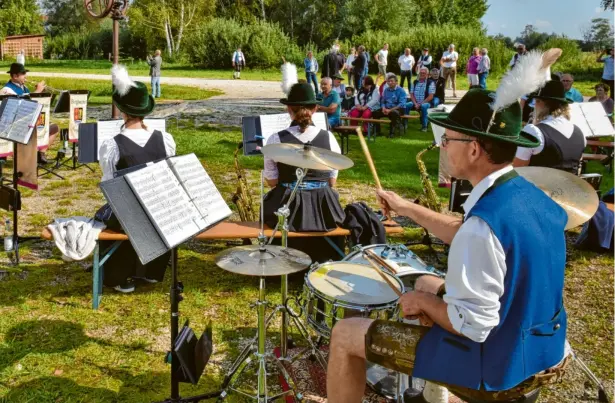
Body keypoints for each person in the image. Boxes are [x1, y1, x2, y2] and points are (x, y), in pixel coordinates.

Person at [327, 88, 569, 403]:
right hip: (541, 345)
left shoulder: (483, 228)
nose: (443, 147)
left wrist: (425, 304)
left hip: (496, 366)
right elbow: (465, 232)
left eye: (447, 139)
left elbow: (473, 326)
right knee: (426, 280)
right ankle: (432, 396)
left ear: (473, 149)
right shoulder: (529, 196)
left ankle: (443, 376)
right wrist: (405, 207)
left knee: (345, 333)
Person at [98, 67, 176, 293]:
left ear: (122, 111)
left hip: (128, 213)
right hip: (159, 207)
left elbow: (108, 183)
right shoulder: (166, 139)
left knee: (110, 217)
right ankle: (152, 271)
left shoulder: (111, 144)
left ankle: (120, 276)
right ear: (145, 111)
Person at [263, 82, 345, 262]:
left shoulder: (275, 139)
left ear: (288, 109)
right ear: (315, 109)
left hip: (288, 207)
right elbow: (332, 181)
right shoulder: (328, 137)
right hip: (323, 210)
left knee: (267, 204)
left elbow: (272, 182)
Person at [514, 79, 585, 174]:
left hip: (537, 187)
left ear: (540, 103)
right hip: (572, 187)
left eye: (536, 102)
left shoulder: (533, 132)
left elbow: (517, 170)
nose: (534, 106)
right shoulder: (579, 132)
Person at [1, 63, 59, 164]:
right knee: (40, 128)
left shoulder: (24, 87)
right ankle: (27, 157)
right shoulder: (6, 90)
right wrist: (37, 91)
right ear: (15, 76)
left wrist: (43, 96)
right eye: (23, 73)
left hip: (29, 121)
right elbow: (20, 107)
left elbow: (33, 102)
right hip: (17, 126)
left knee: (54, 128)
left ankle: (41, 154)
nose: (26, 76)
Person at [405, 67, 436, 132]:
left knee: (424, 106)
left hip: (426, 102)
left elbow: (430, 96)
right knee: (406, 105)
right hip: (415, 102)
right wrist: (416, 103)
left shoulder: (431, 83)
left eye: (424, 73)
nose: (422, 74)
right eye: (420, 73)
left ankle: (424, 127)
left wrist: (420, 104)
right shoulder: (415, 82)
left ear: (427, 74)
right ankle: (404, 124)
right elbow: (411, 94)